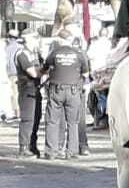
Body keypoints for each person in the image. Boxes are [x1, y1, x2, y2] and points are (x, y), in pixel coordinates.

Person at [42, 31, 90, 159]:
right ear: (71, 39)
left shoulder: (54, 53)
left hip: (56, 90)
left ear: (59, 40)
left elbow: (44, 69)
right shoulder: (79, 55)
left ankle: (51, 152)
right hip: (74, 91)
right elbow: (85, 74)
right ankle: (71, 152)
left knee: (52, 121)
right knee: (73, 123)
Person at [14, 36, 44, 158]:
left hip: (36, 88)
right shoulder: (22, 54)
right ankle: (24, 147)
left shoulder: (35, 53)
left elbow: (42, 68)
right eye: (35, 39)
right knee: (28, 119)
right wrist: (44, 70)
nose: (37, 41)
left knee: (36, 118)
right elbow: (33, 72)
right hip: (26, 88)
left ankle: (32, 145)